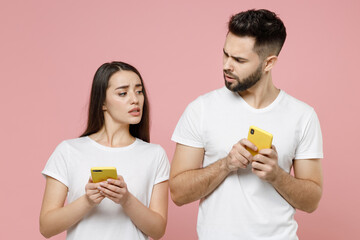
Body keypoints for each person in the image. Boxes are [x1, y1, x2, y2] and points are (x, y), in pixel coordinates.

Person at [170, 9, 323, 240]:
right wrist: (226, 165)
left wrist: (276, 176)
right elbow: (178, 193)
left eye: (239, 60)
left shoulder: (303, 116)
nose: (227, 65)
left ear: (268, 63)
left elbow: (311, 202)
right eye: (225, 54)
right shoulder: (201, 109)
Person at [40, 61, 169, 240]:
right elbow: (46, 227)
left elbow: (158, 230)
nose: (135, 99)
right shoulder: (68, 151)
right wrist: (88, 201)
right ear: (102, 103)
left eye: (139, 91)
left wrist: (126, 199)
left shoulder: (155, 155)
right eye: (123, 93)